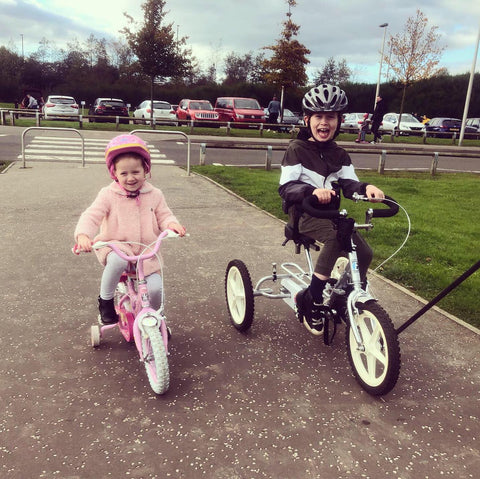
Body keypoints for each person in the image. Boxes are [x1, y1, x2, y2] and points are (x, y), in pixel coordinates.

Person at [278, 84, 385, 335]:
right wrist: (310, 191)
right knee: (337, 239)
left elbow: (349, 183)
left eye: (330, 117)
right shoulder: (296, 149)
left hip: (332, 217)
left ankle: (341, 294)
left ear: (339, 120)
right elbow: (286, 187)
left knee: (365, 252)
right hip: (303, 214)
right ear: (307, 120)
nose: (324, 123)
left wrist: (367, 187)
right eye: (318, 116)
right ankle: (312, 297)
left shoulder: (340, 154)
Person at [74, 134, 186, 325]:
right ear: (114, 174)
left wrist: (172, 225)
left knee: (155, 289)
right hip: (116, 245)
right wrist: (83, 235)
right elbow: (92, 216)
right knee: (116, 261)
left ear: (145, 170)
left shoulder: (155, 194)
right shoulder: (108, 194)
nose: (130, 178)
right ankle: (106, 301)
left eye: (135, 172)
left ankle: (155, 315)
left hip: (146, 250)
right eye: (123, 173)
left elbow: (164, 215)